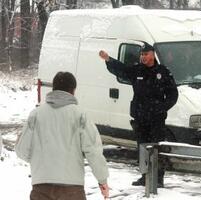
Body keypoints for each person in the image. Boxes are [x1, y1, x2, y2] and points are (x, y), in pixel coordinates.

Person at [15, 72, 109, 200]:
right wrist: (102, 180)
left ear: (53, 88)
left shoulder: (36, 115)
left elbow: (22, 151)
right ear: (73, 90)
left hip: (41, 188)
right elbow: (93, 151)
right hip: (72, 190)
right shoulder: (80, 115)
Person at [99, 43, 178, 187]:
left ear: (153, 54)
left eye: (146, 54)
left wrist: (162, 107)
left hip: (156, 119)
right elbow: (122, 70)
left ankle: (158, 179)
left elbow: (173, 94)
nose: (143, 57)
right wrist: (109, 60)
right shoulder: (137, 70)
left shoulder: (162, 72)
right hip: (141, 117)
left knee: (156, 148)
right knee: (142, 148)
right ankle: (144, 176)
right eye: (141, 54)